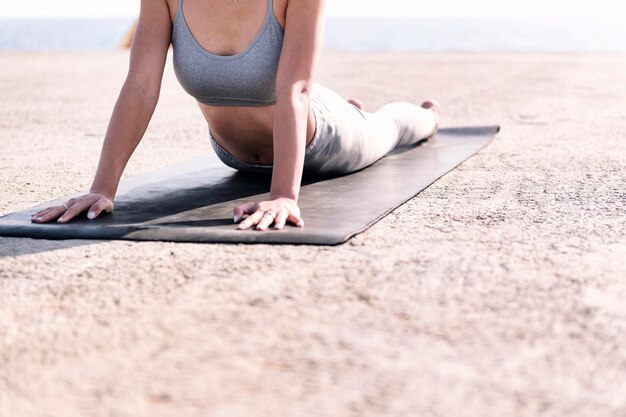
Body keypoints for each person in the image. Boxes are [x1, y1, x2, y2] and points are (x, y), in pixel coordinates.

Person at [31, 0, 440, 231]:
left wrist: (283, 195)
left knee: (391, 127)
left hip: (324, 144)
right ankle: (349, 108)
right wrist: (103, 187)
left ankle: (425, 116)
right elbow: (139, 86)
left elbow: (295, 89)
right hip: (235, 155)